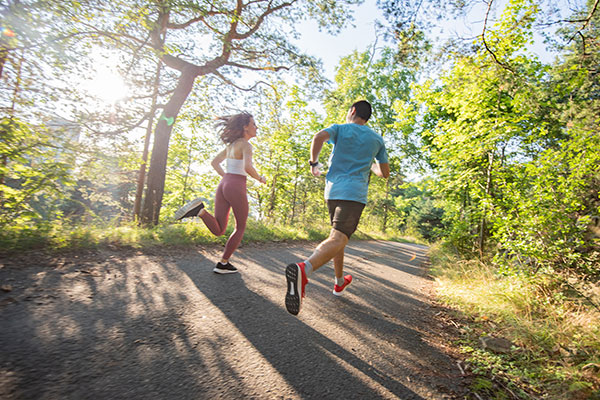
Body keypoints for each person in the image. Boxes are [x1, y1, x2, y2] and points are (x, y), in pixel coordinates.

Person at [284, 100, 390, 316]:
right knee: (339, 238)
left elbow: (318, 137)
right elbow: (384, 173)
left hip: (332, 192)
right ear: (366, 117)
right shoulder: (377, 139)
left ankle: (339, 282)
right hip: (354, 194)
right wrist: (372, 164)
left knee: (337, 237)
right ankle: (304, 269)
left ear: (352, 111)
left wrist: (314, 163)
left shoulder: (339, 129)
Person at [174, 112, 266, 274]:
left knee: (219, 230)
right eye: (253, 124)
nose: (256, 127)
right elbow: (247, 168)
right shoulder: (245, 145)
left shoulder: (230, 146)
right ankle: (223, 263)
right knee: (240, 227)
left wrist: (226, 179)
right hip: (236, 185)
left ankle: (200, 211)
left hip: (224, 184)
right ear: (245, 127)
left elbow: (214, 163)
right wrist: (260, 178)